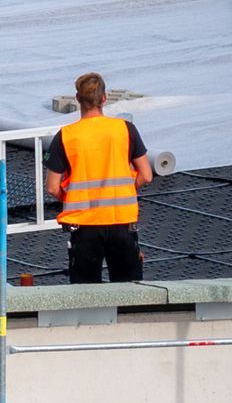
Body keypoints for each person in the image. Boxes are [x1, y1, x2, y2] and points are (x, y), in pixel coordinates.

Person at [45, 72, 154, 283]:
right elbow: (147, 175)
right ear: (104, 99)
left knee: (85, 295)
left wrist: (72, 198)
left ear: (78, 99)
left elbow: (51, 187)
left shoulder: (66, 136)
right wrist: (126, 190)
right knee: (129, 293)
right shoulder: (124, 129)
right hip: (122, 223)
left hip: (84, 227)